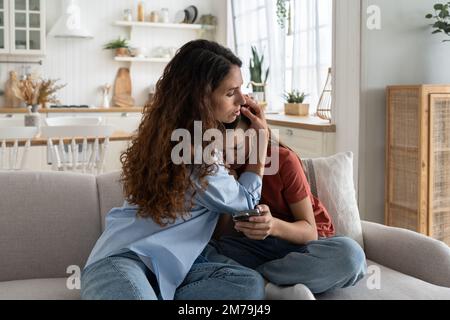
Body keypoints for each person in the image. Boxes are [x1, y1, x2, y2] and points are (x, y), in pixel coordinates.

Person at [81, 40, 270, 300]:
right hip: (124, 261)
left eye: (241, 89)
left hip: (172, 270)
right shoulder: (192, 154)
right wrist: (261, 142)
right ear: (202, 98)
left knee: (248, 285)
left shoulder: (183, 139)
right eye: (230, 93)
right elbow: (245, 203)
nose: (242, 99)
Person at [211, 114, 367, 295]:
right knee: (202, 252)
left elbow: (309, 232)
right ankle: (276, 284)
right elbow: (222, 236)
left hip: (301, 247)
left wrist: (273, 226)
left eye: (235, 147)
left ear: (254, 137)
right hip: (251, 247)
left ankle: (260, 282)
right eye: (220, 150)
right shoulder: (217, 169)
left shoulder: (283, 160)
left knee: (351, 256)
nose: (228, 157)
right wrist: (229, 193)